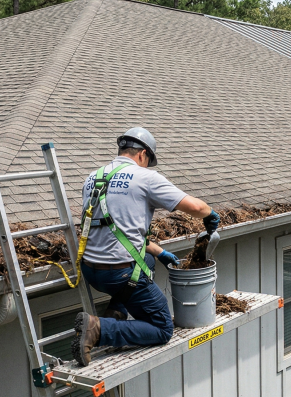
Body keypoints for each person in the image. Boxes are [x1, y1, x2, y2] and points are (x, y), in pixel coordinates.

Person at [71, 127, 221, 366]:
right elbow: (194, 207)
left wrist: (160, 252)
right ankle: (98, 329)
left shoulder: (93, 177)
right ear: (143, 154)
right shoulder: (145, 177)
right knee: (162, 328)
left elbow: (115, 229)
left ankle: (116, 313)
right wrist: (210, 213)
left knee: (148, 261)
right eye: (148, 161)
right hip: (118, 274)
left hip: (91, 271)